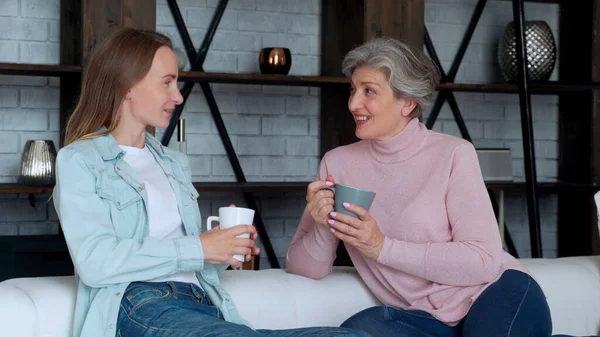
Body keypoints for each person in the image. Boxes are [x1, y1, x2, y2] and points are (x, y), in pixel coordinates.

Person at [52, 27, 370, 337]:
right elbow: (95, 261)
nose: (177, 96)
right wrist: (199, 248)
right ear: (127, 86)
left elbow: (192, 259)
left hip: (204, 305)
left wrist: (222, 249)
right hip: (140, 306)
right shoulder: (80, 160)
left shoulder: (174, 163)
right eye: (167, 83)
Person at [285, 36, 589, 337]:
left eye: (369, 91)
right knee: (358, 330)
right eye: (353, 89)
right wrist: (325, 222)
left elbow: (483, 261)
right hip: (423, 318)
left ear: (407, 103)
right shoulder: (337, 163)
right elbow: (304, 268)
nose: (353, 103)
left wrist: (381, 248)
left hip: (494, 292)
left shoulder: (454, 154)